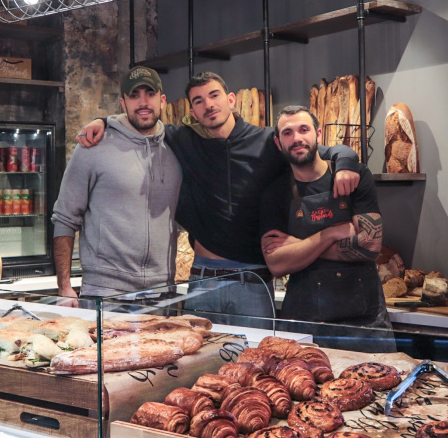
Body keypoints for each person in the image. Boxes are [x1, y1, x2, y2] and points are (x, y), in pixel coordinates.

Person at [75, 72, 361, 322]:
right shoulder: (183, 140)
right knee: (201, 375)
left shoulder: (266, 141)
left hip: (254, 282)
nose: (208, 104)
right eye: (198, 101)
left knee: (257, 371)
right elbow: (142, 121)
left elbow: (328, 150)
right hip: (202, 281)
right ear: (193, 111)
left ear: (231, 99)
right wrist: (104, 121)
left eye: (214, 95)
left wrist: (346, 164)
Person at [52, 66, 182, 301]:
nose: (143, 102)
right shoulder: (93, 147)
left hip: (162, 292)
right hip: (106, 292)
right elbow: (64, 218)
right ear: (123, 104)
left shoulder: (177, 148)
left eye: (150, 94)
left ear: (162, 100)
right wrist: (64, 287)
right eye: (134, 96)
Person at [259, 105, 390, 328]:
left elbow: (370, 246)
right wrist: (331, 233)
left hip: (364, 323)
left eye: (303, 129)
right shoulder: (275, 191)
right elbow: (277, 264)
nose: (297, 138)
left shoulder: (354, 176)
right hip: (305, 321)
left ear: (318, 134)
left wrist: (300, 247)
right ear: (278, 143)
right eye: (287, 133)